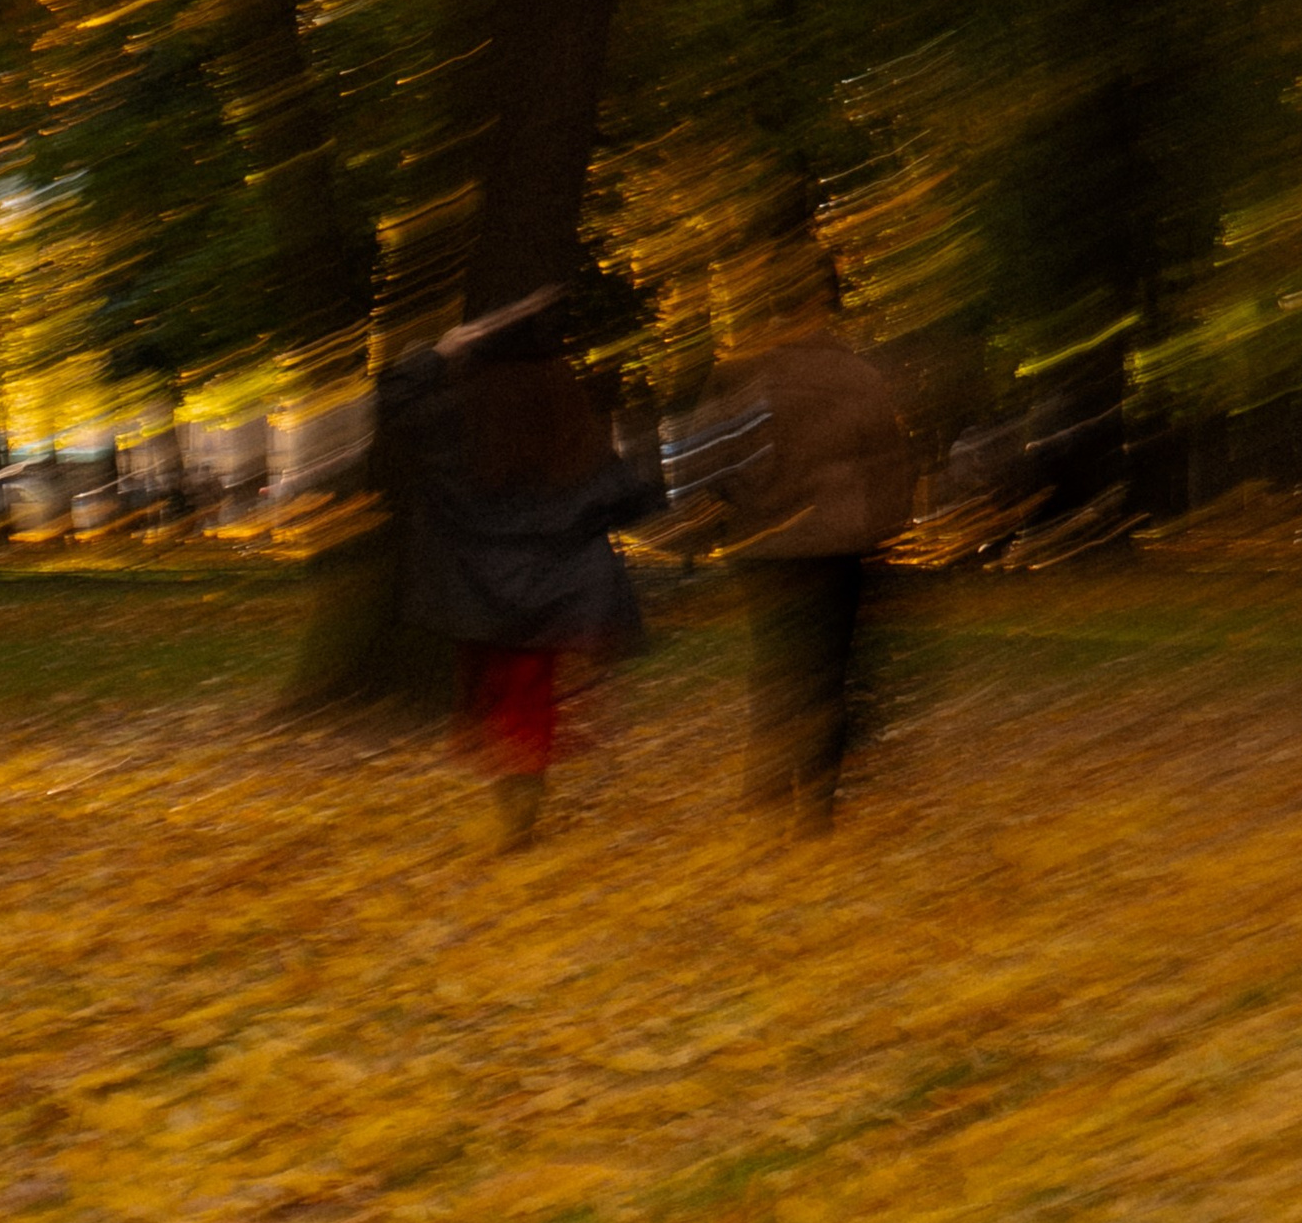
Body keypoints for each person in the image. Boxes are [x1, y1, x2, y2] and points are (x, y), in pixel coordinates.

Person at [379, 289, 661, 853]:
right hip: (555, 596)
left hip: (480, 596)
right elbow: (630, 496)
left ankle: (514, 819)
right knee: (528, 707)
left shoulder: (457, 425)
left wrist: (436, 354)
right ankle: (520, 818)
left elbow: (392, 403)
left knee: (494, 705)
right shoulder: (569, 426)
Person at [690, 285, 912, 830]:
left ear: (772, 309)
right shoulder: (856, 376)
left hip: (763, 547)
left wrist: (720, 515)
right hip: (836, 545)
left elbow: (704, 455)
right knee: (826, 675)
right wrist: (884, 528)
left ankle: (764, 797)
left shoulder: (741, 375)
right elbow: (889, 460)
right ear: (825, 308)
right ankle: (814, 808)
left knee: (772, 667)